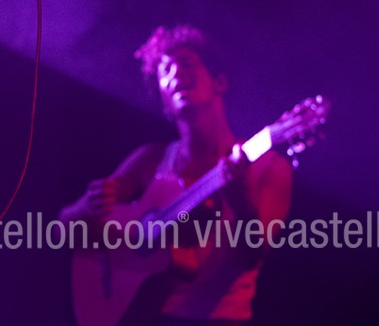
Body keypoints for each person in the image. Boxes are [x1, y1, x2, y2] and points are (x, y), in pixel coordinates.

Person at [59, 24, 293, 325]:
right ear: (164, 100)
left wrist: (241, 202)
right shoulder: (151, 160)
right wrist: (87, 207)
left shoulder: (269, 167)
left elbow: (251, 257)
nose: (176, 74)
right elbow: (61, 230)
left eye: (187, 64)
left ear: (219, 81)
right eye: (165, 70)